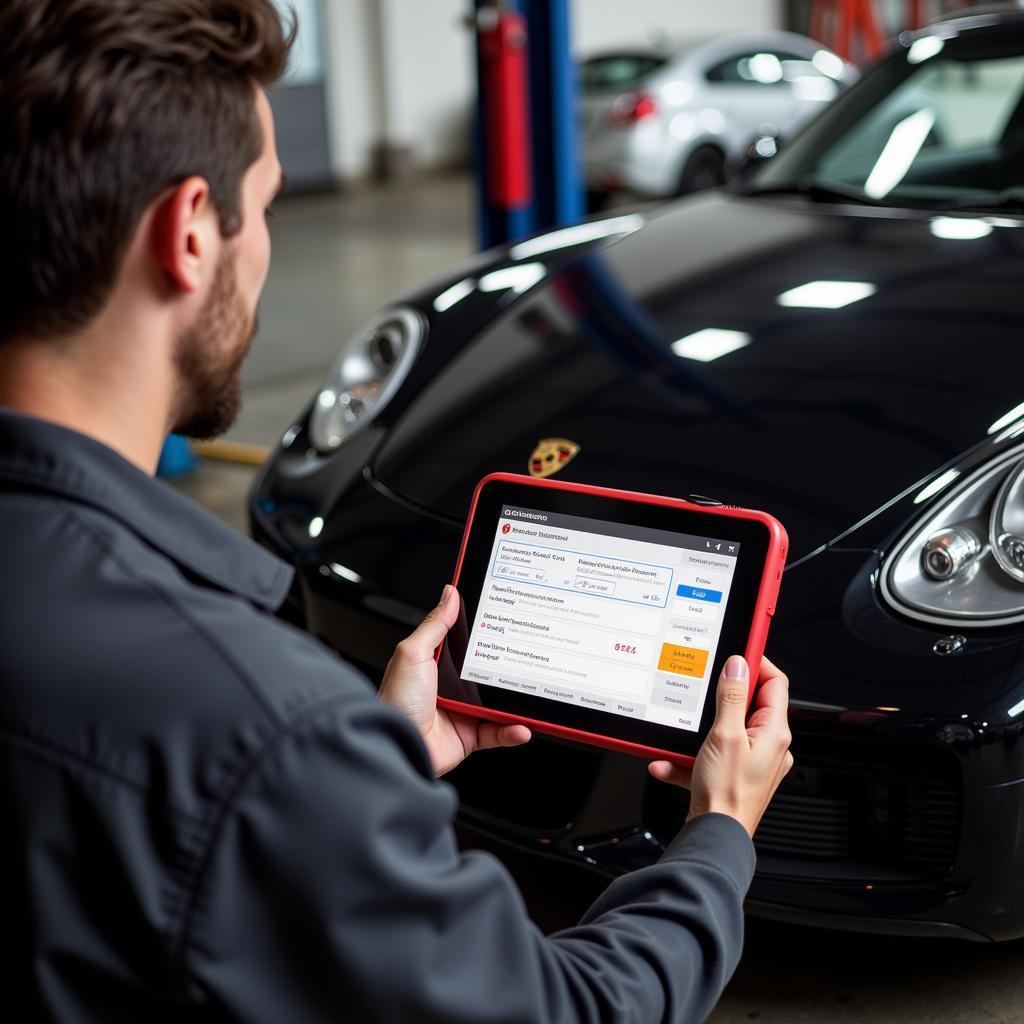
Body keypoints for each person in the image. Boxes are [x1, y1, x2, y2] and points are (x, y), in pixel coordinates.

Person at [0, 1, 793, 1021]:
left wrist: (371, 762)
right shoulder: (253, 727)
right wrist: (720, 831)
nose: (265, 248)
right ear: (191, 232)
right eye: (267, 204)